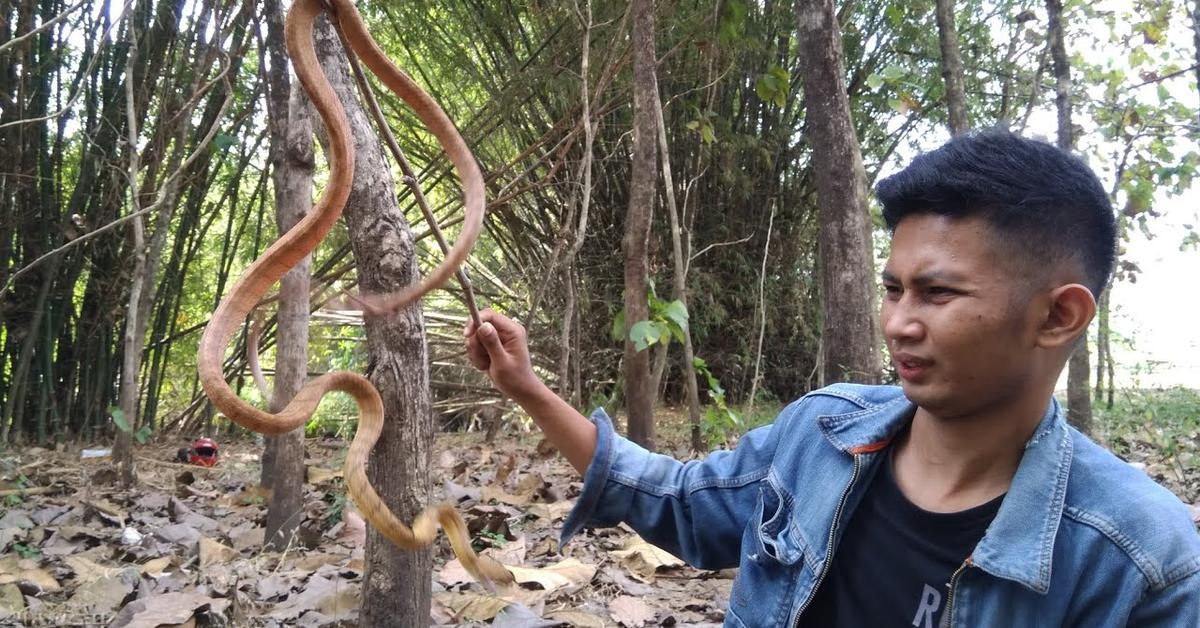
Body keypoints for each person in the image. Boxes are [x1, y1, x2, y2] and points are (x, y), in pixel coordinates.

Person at [463, 130, 1200, 627]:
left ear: (1057, 317)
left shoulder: (1136, 558)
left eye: (937, 294)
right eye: (893, 289)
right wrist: (526, 387)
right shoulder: (821, 434)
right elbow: (676, 502)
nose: (898, 323)